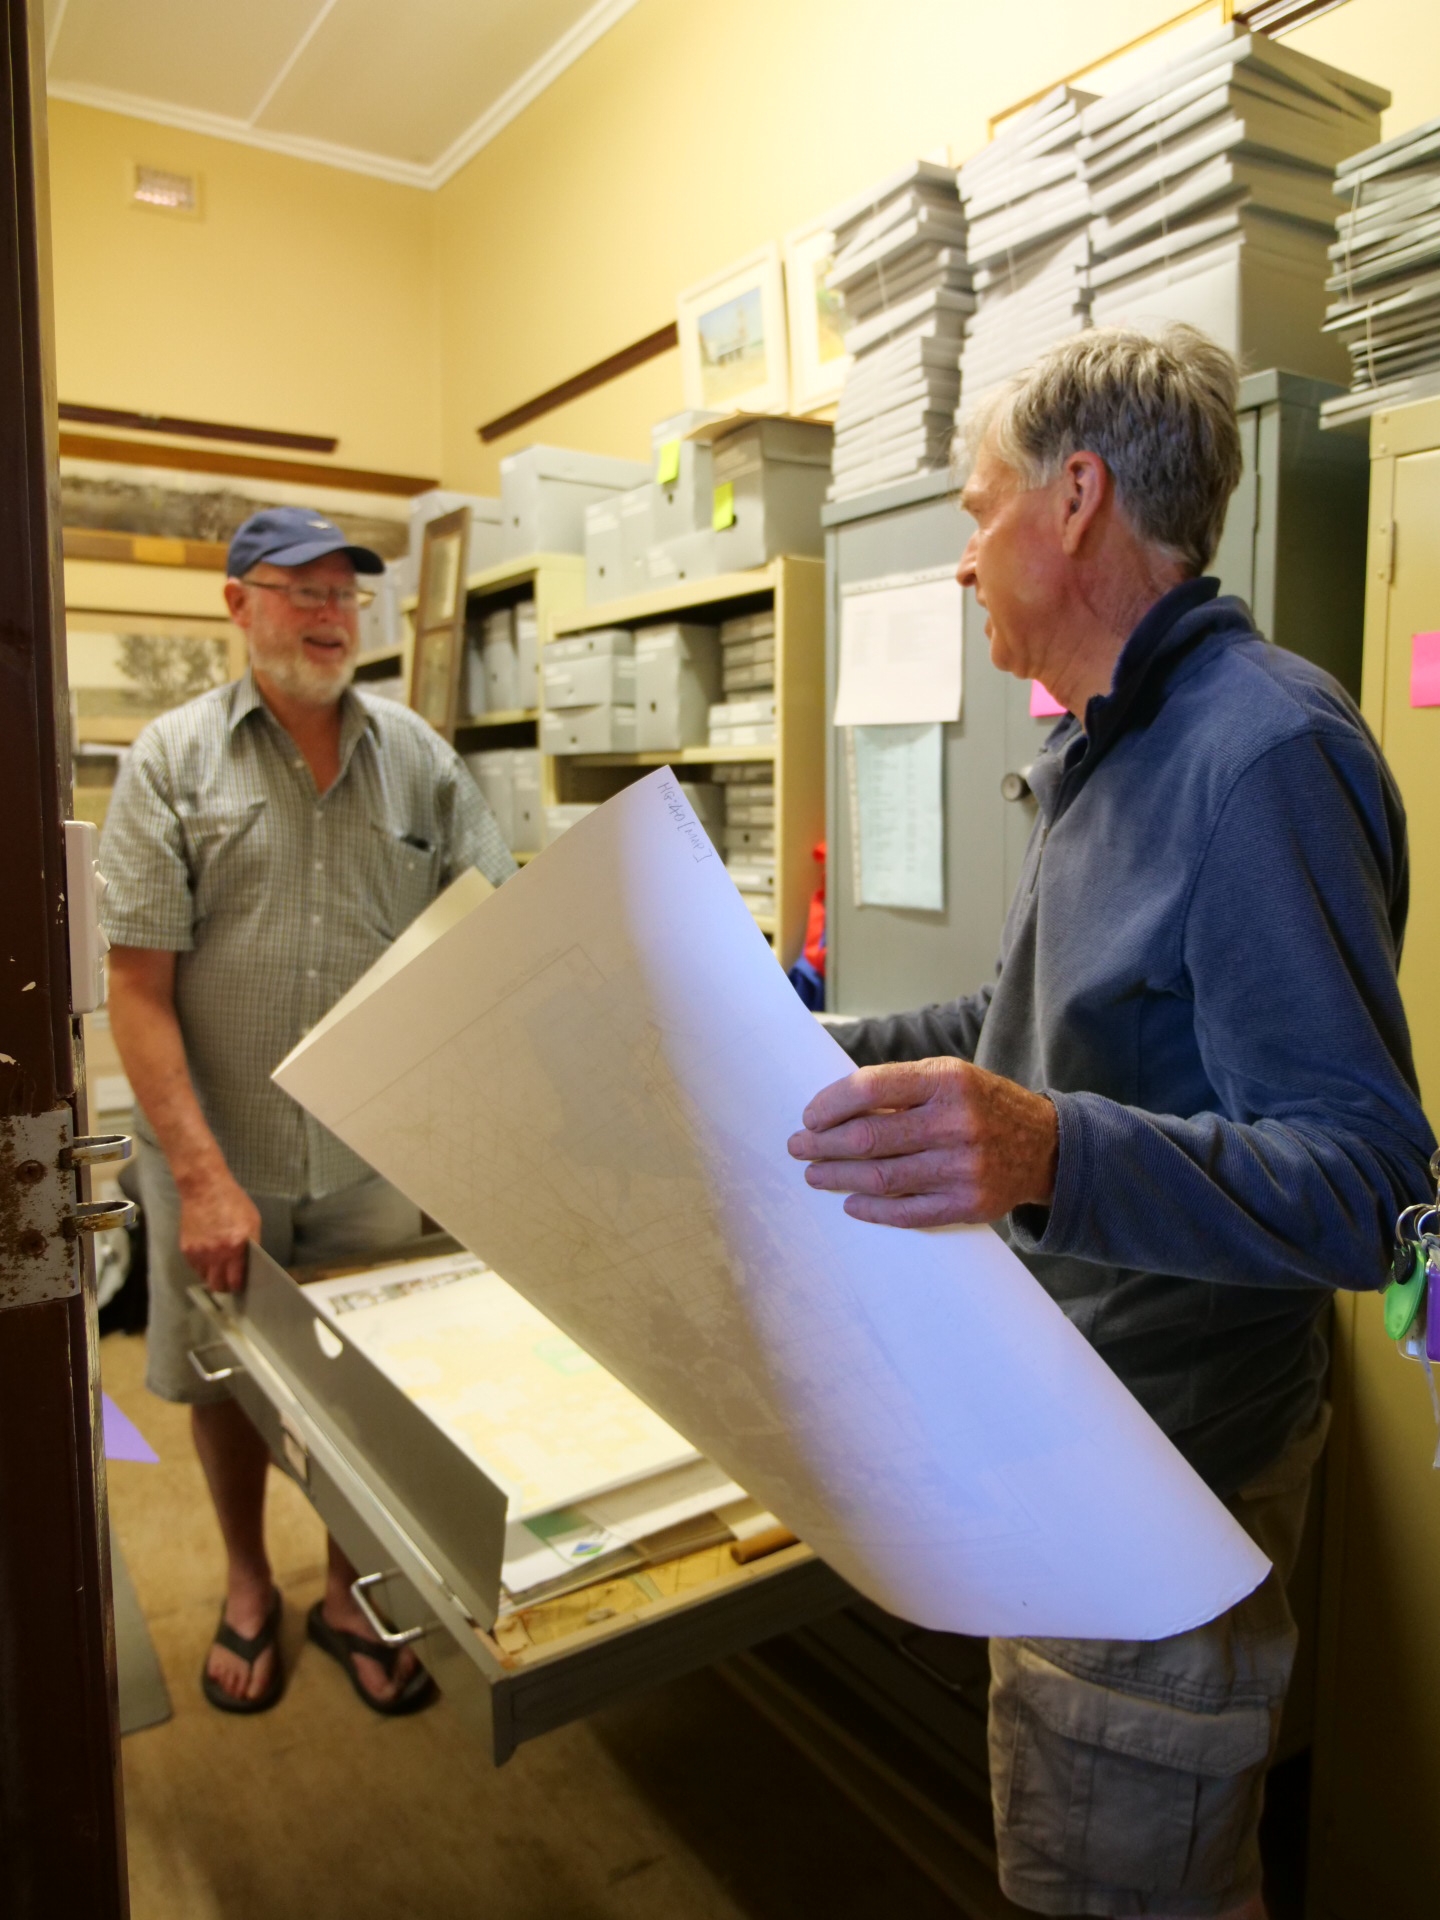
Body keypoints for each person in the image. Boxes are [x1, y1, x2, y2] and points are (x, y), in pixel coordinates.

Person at [788, 327, 1435, 1920]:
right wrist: (796, 1047)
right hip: (1067, 1430)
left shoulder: (1263, 755)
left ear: (1076, 500)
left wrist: (1048, 1154)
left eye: (973, 508)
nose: (958, 566)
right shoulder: (1106, 745)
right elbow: (1018, 1032)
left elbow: (1372, 1188)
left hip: (1170, 1473)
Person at [102, 507, 515, 1717]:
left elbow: (487, 938)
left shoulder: (420, 762)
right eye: (303, 590)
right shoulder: (170, 763)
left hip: (370, 1157)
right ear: (238, 605)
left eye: (349, 594)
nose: (333, 614)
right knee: (225, 1384)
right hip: (211, 1155)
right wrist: (203, 1176)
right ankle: (243, 1583)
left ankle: (348, 1590)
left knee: (368, 1390)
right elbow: (136, 995)